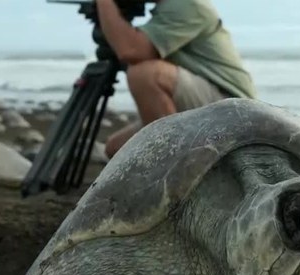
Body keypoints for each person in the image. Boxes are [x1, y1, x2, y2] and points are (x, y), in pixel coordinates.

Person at [95, 0, 257, 158]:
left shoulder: (188, 4)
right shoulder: (168, 8)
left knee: (144, 74)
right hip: (207, 102)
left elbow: (131, 50)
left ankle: (177, 165)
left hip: (233, 107)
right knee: (116, 150)